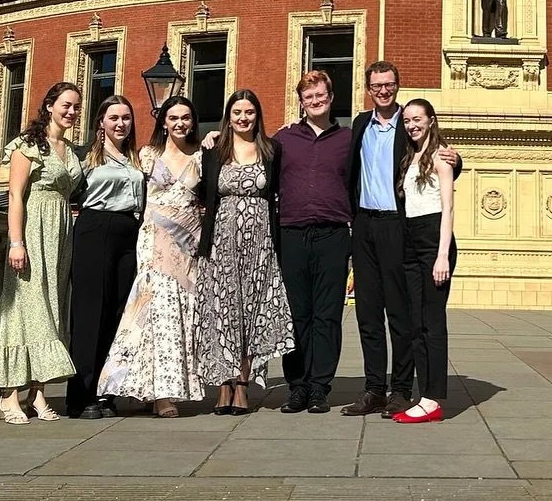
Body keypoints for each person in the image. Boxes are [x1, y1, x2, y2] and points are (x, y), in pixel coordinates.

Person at [343, 61, 459, 419]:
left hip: (398, 226)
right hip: (363, 224)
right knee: (367, 312)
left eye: (389, 84)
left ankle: (402, 389)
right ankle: (374, 388)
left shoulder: (406, 125)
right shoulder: (360, 123)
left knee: (400, 313)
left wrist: (458, 161)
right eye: (376, 85)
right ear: (368, 88)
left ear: (397, 86)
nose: (383, 90)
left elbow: (437, 153)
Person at [0, 81, 83, 424]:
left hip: (60, 236)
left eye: (76, 106)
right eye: (66, 105)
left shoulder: (70, 150)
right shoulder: (28, 145)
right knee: (23, 312)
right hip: (33, 230)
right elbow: (15, 196)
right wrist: (16, 242)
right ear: (49, 106)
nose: (72, 112)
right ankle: (9, 394)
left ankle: (39, 393)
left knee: (52, 309)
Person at [97, 95, 206, 417]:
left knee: (179, 316)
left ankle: (152, 387)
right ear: (164, 122)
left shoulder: (202, 157)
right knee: (153, 315)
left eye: (186, 117)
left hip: (186, 246)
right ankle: (161, 395)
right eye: (173, 118)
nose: (180, 123)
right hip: (152, 242)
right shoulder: (147, 155)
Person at [195, 89, 292, 415]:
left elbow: (280, 191)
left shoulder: (271, 150)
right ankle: (224, 384)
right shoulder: (213, 150)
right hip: (221, 245)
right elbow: (196, 191)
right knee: (222, 314)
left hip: (260, 245)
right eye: (237, 112)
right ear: (228, 116)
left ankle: (243, 384)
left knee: (251, 314)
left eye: (249, 112)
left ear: (257, 115)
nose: (243, 118)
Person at [272, 70, 354, 415]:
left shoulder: (349, 139)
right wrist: (214, 140)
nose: (315, 101)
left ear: (331, 97)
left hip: (333, 234)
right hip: (291, 234)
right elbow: (250, 162)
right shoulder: (283, 139)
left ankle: (320, 387)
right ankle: (298, 386)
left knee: (327, 315)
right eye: (309, 97)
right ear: (301, 102)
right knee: (295, 314)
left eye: (320, 95)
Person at [68, 95, 145, 419]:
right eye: (113, 117)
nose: (120, 123)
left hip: (129, 232)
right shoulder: (86, 158)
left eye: (126, 117)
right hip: (95, 228)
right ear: (101, 122)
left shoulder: (135, 159)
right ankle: (81, 396)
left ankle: (107, 390)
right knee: (90, 314)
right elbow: (64, 188)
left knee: (118, 314)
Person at [393, 99, 456, 424]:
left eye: (418, 119)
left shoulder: (442, 157)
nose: (412, 125)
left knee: (432, 323)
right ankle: (424, 395)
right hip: (410, 239)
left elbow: (448, 208)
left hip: (434, 240)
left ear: (431, 120)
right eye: (407, 120)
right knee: (415, 321)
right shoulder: (410, 156)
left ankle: (433, 398)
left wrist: (442, 255)